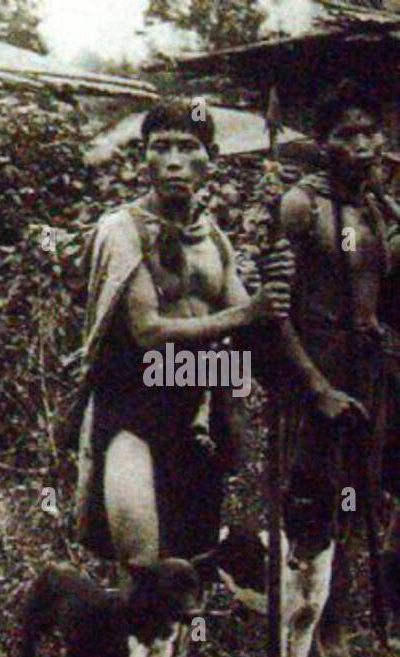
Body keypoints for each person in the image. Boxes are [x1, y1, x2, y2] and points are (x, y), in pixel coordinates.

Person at [75, 99, 293, 566]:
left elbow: (255, 329)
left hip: (194, 413)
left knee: (191, 564)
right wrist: (248, 314)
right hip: (131, 410)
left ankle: (182, 642)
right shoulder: (123, 230)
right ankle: (126, 640)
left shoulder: (212, 237)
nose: (173, 161)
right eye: (161, 148)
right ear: (143, 158)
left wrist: (281, 281)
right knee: (142, 564)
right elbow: (148, 332)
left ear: (210, 158)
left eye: (187, 147)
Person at [277, 78, 400, 657]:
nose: (361, 144)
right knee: (312, 511)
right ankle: (300, 653)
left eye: (369, 132)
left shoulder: (374, 207)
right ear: (322, 143)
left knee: (356, 505)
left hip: (367, 375)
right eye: (344, 134)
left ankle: (340, 635)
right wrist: (315, 388)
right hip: (318, 379)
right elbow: (272, 310)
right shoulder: (302, 206)